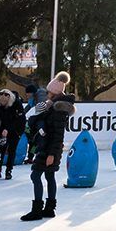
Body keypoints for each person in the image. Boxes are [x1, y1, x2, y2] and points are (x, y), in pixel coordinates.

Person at [20, 90, 75, 222]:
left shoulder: (58, 111)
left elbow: (57, 136)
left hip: (49, 149)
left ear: (55, 93)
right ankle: (49, 209)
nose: (47, 94)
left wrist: (51, 154)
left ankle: (37, 210)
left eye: (50, 92)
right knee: (49, 175)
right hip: (46, 148)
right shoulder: (52, 109)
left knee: (36, 175)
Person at [0, 88, 26, 180]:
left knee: (12, 149)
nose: (2, 102)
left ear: (9, 99)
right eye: (0, 100)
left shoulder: (17, 104)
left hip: (16, 129)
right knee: (1, 149)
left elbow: (19, 120)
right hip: (1, 128)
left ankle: (9, 170)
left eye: (4, 101)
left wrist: (9, 130)